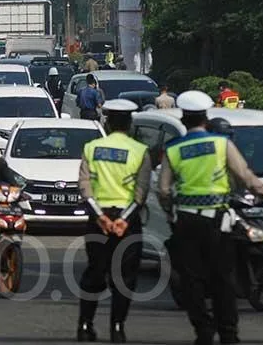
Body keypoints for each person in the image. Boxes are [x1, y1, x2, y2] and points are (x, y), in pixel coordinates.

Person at [159, 91, 263, 345]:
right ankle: (228, 333)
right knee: (222, 279)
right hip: (217, 222)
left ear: (184, 119)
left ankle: (203, 330)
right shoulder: (222, 145)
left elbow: (164, 191)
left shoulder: (174, 149)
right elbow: (246, 178)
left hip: (186, 222)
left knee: (191, 281)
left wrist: (172, 216)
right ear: (206, 118)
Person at [76, 99, 151, 343]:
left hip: (98, 220)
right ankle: (117, 328)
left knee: (95, 272)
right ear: (129, 124)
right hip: (127, 222)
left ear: (107, 123)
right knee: (124, 277)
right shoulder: (140, 151)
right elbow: (141, 192)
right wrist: (123, 221)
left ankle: (85, 325)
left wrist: (100, 217)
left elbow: (84, 186)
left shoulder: (91, 148)